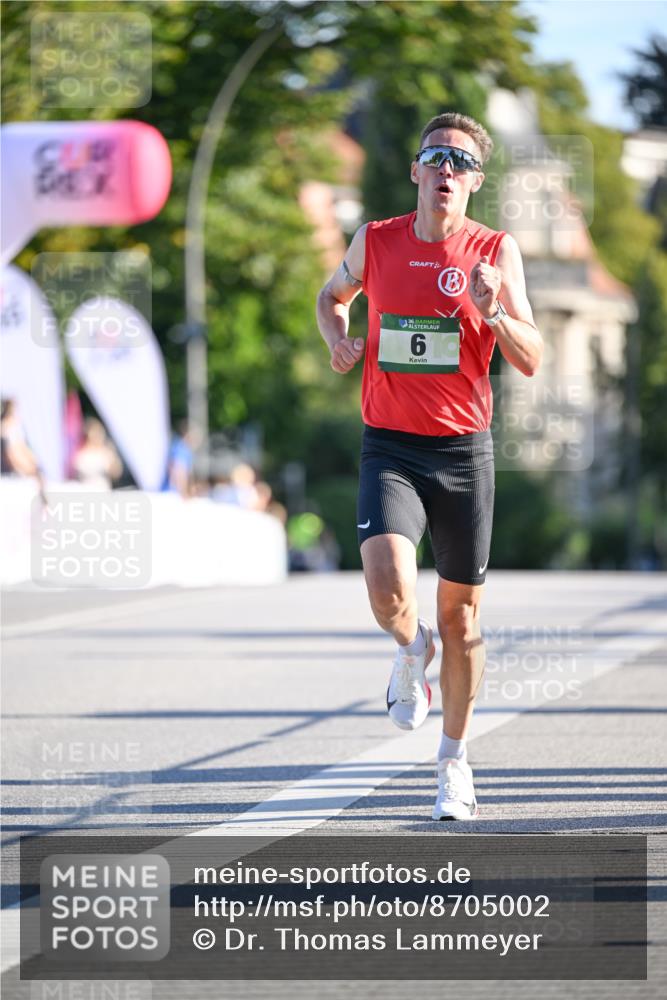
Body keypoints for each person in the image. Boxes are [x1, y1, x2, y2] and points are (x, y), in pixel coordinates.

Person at [316, 112, 543, 820]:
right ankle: (407, 648)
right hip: (389, 444)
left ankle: (453, 763)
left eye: (461, 162)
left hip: (461, 453)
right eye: (434, 157)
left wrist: (493, 313)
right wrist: (338, 335)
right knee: (387, 590)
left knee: (465, 623)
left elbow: (531, 358)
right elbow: (331, 297)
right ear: (415, 172)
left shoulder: (493, 251)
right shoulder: (375, 240)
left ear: (475, 182)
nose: (446, 169)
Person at [71, 418, 122, 491]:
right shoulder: (81, 453)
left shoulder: (105, 452)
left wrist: (112, 457)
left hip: (103, 490)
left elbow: (116, 473)